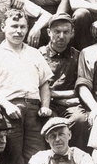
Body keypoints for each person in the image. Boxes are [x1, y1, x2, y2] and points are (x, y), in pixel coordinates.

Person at [0, 8, 55, 163]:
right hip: (10, 110)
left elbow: (44, 84)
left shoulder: (35, 53)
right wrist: (6, 105)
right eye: (14, 26)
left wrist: (45, 106)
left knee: (37, 157)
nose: (19, 31)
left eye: (22, 27)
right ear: (3, 27)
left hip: (34, 112)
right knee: (12, 157)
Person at [39, 13, 91, 150]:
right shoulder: (39, 55)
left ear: (72, 33)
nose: (61, 36)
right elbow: (37, 88)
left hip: (71, 105)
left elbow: (81, 87)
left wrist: (54, 94)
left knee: (80, 120)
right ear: (49, 32)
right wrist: (53, 97)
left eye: (66, 32)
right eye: (57, 32)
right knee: (49, 123)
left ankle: (77, 156)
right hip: (46, 105)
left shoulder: (78, 56)